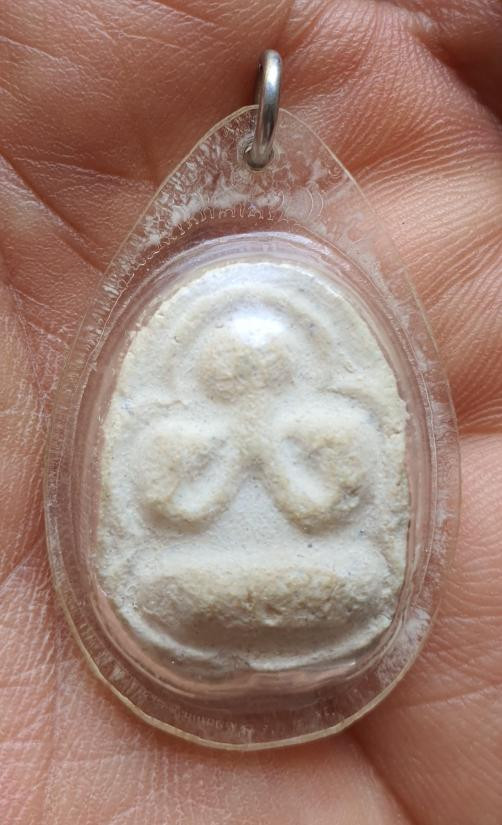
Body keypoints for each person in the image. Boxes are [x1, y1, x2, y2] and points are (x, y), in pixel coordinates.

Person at [1, 1, 501, 822]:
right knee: (167, 586)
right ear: (197, 356)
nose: (251, 374)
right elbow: (159, 507)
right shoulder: (175, 425)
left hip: (325, 584)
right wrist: (226, 456)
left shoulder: (333, 417)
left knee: (349, 578)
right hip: (182, 589)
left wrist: (279, 456)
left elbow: (339, 504)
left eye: (265, 364)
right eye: (234, 365)